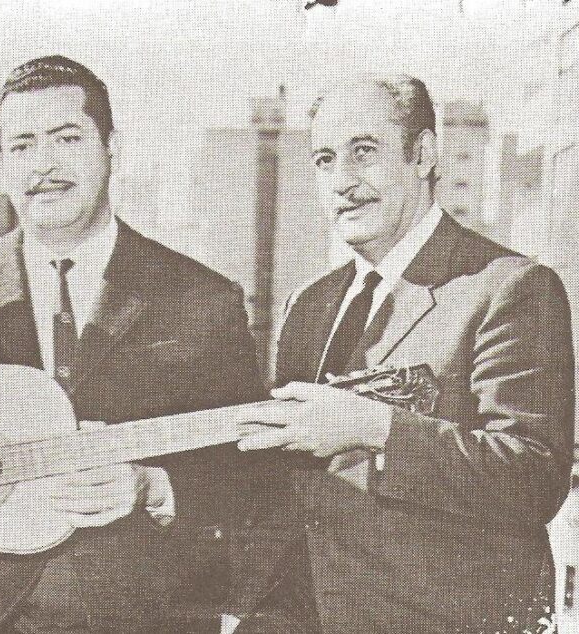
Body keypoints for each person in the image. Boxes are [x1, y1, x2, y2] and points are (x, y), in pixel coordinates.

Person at [0, 56, 273, 633]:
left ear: (111, 148)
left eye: (66, 139)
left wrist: (153, 486)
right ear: (2, 162)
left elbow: (252, 475)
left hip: (135, 618)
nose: (43, 164)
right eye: (22, 145)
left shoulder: (203, 298)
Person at [233, 74, 575, 633]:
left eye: (364, 152)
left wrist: (377, 429)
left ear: (423, 155)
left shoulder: (511, 288)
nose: (343, 181)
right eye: (324, 160)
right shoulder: (309, 303)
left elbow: (533, 478)